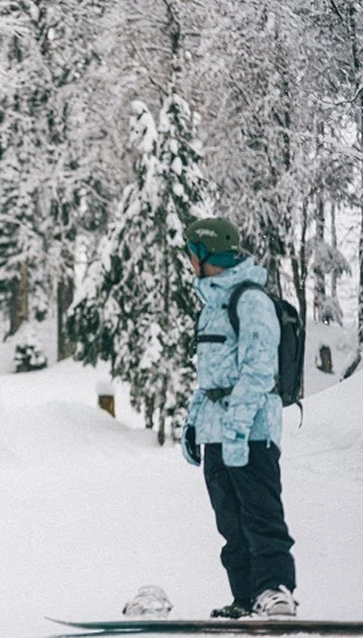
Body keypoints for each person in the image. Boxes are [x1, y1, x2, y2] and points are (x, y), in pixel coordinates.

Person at [181, 217, 297, 618]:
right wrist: (194, 423)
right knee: (231, 524)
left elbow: (259, 370)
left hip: (252, 433)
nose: (188, 260)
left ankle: (275, 591)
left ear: (205, 253)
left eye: (191, 252)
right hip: (217, 432)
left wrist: (236, 430)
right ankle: (246, 596)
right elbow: (209, 378)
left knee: (261, 516)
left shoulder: (251, 301)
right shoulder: (212, 306)